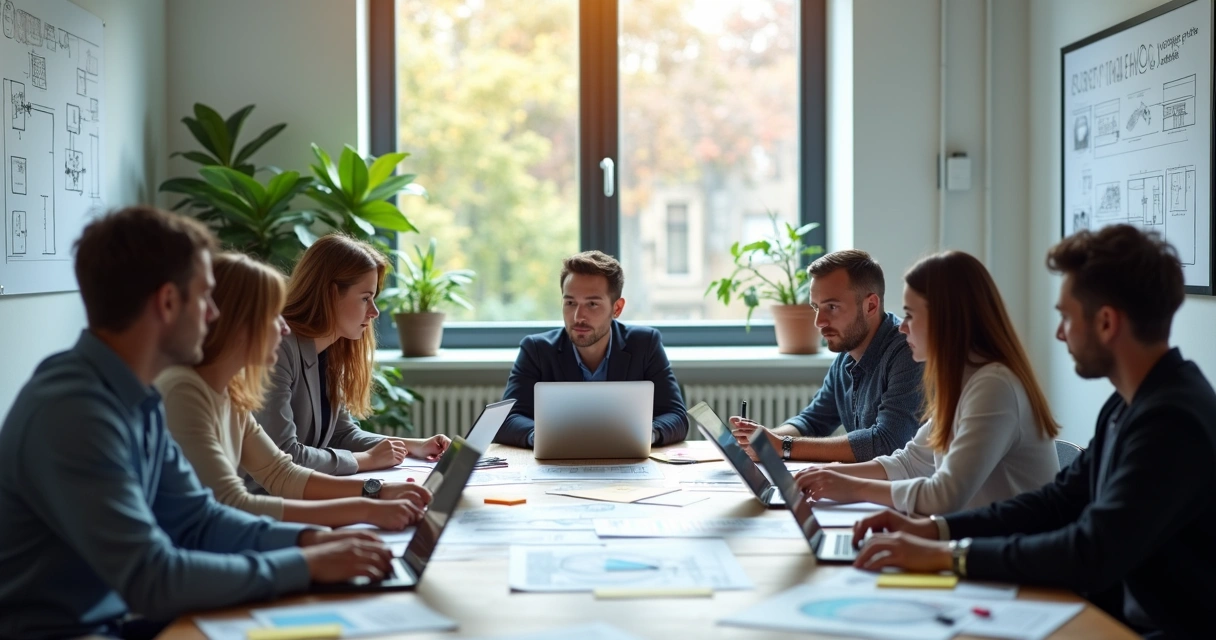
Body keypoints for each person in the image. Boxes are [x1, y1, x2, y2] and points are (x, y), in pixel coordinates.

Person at [0, 207, 397, 639]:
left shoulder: (137, 397)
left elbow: (200, 519)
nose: (214, 315)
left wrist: (308, 541)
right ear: (168, 302)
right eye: (206, 297)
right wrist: (305, 563)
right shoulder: (74, 411)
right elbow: (152, 579)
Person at [850, 225, 1216, 639]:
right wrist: (936, 532)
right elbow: (1056, 501)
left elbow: (1091, 551)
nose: (1059, 333)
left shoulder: (1171, 421)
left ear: (1106, 323)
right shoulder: (1128, 404)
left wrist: (948, 556)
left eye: (1066, 317)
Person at [157, 252, 432, 529]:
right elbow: (233, 503)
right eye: (272, 315)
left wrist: (378, 493)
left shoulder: (230, 392)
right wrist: (364, 510)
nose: (284, 327)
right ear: (237, 322)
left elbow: (281, 473)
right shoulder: (184, 391)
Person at [793, 251, 1059, 514]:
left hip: (1009, 541)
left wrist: (852, 488)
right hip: (974, 536)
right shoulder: (963, 381)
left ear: (946, 318)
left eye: (910, 315)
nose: (902, 327)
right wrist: (830, 474)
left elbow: (944, 495)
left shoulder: (994, 387)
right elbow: (910, 462)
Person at [255, 234, 449, 481]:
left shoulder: (329, 350)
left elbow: (342, 435)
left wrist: (414, 446)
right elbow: (284, 455)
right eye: (365, 298)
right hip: (264, 496)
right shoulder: (278, 349)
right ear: (331, 294)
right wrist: (367, 460)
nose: (374, 312)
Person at [731, 250, 923, 462]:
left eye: (832, 307)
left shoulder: (908, 351)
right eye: (816, 307)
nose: (819, 322)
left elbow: (887, 443)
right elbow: (812, 421)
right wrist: (761, 441)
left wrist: (783, 446)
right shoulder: (847, 354)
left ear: (870, 306)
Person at [496, 250, 688, 448]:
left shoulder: (645, 344)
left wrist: (645, 435)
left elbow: (677, 416)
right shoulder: (536, 350)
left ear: (617, 308)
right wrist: (544, 438)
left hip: (627, 461)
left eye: (592, 304)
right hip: (558, 461)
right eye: (570, 303)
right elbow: (506, 420)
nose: (578, 316)